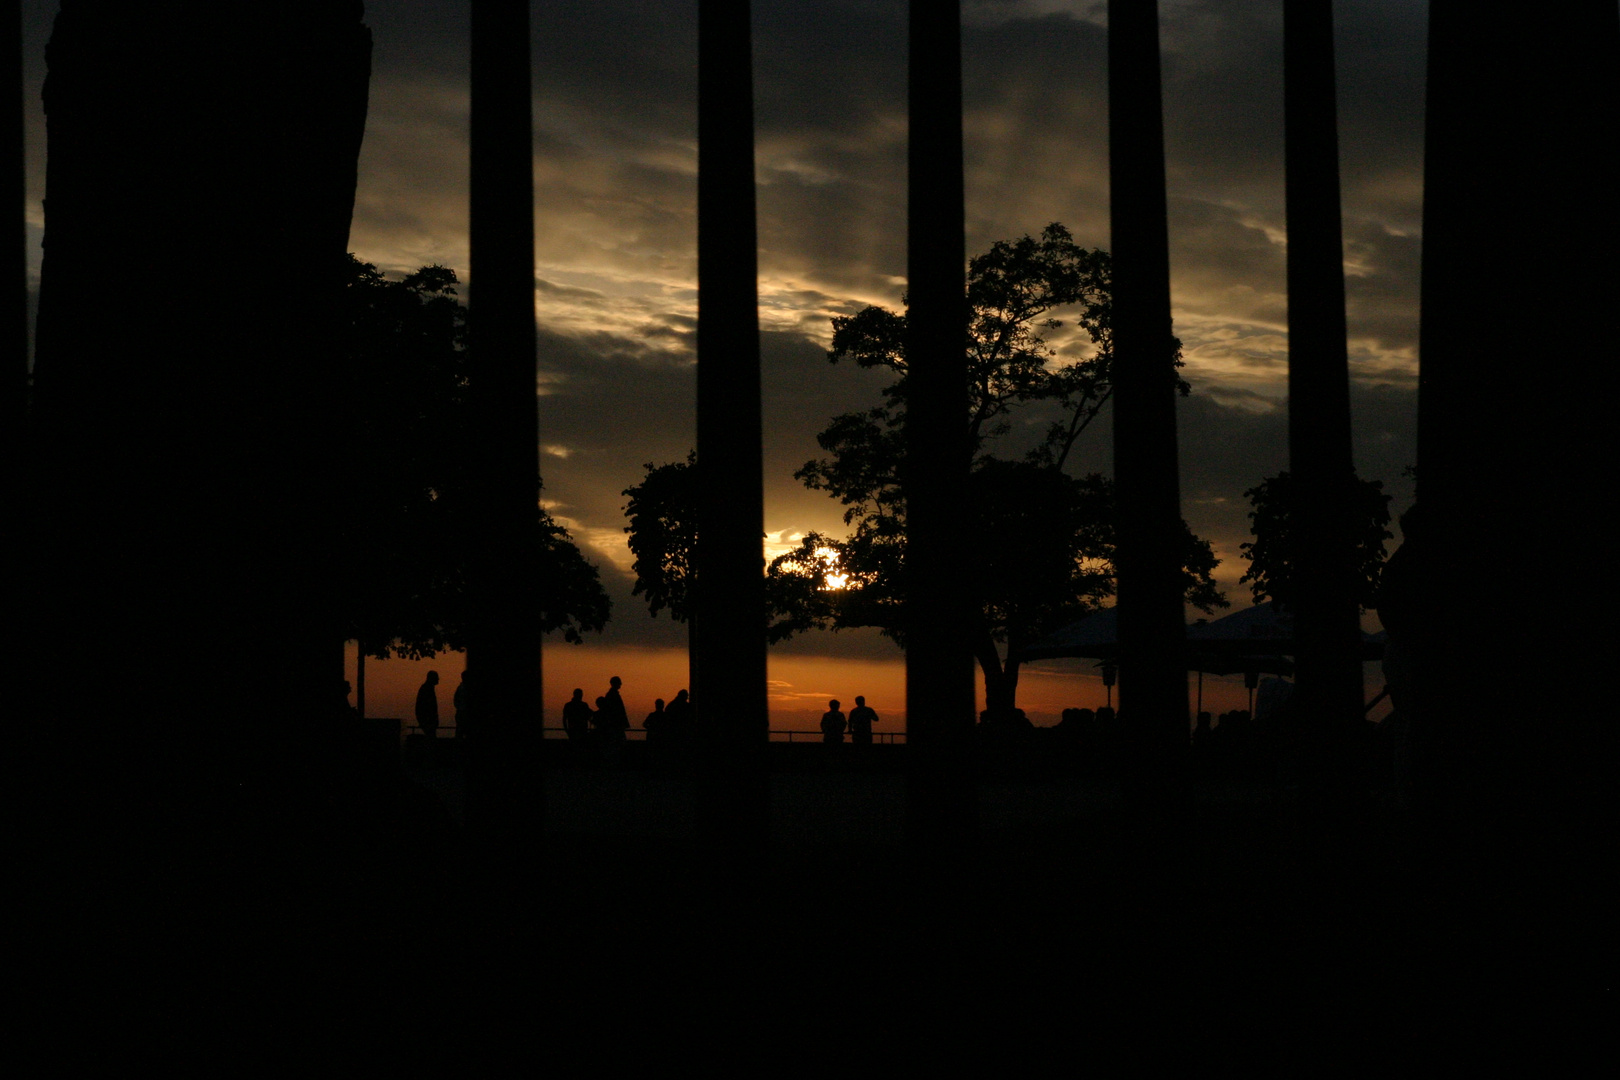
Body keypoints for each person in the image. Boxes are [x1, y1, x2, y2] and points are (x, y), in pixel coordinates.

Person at [415, 670, 440, 738]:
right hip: (428, 720)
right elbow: (429, 706)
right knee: (431, 738)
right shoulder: (427, 689)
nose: (438, 679)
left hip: (427, 719)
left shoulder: (426, 688)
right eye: (437, 677)